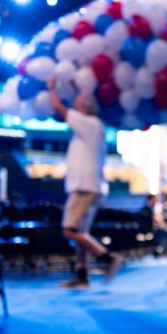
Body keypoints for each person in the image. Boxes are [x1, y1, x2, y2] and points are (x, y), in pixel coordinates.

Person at [47, 78, 123, 288]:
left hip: (83, 186)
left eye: (78, 103)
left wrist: (52, 88)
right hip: (93, 186)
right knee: (81, 233)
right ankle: (82, 275)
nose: (74, 107)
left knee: (69, 230)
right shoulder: (94, 127)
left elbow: (58, 108)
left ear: (87, 108)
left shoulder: (88, 123)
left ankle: (107, 258)